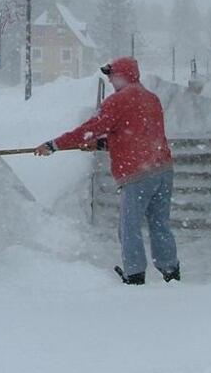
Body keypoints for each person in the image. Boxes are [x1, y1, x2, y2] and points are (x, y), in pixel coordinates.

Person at [35, 56, 180, 285]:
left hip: (138, 174)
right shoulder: (151, 99)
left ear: (124, 75)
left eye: (113, 76)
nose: (111, 81)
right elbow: (139, 133)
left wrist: (54, 145)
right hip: (163, 170)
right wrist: (104, 144)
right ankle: (171, 272)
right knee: (160, 223)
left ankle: (134, 275)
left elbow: (90, 129)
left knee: (129, 226)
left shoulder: (118, 101)